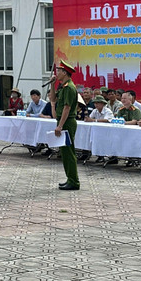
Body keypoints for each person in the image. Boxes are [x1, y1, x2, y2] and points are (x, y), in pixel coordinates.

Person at [53, 60, 80, 191]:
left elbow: (67, 108)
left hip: (67, 122)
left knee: (69, 152)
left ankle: (74, 181)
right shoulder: (62, 86)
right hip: (63, 121)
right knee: (64, 152)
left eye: (59, 71)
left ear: (65, 72)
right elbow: (53, 99)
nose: (57, 73)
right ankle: (70, 178)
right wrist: (53, 85)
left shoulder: (69, 87)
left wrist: (60, 126)